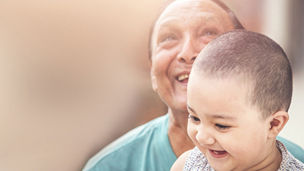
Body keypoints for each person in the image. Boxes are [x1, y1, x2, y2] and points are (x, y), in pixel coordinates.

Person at [83, 0, 304, 170]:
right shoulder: (110, 165)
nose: (187, 53)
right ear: (151, 68)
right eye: (169, 37)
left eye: (209, 34)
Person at [171, 30, 304, 171]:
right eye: (195, 118)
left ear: (273, 124)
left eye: (221, 125)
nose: (202, 136)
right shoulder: (187, 166)